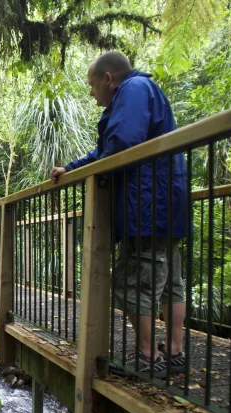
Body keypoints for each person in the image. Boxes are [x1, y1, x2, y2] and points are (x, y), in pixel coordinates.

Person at [50, 51, 188, 378]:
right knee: (169, 280)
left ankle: (146, 358)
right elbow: (106, 150)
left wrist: (97, 170)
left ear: (108, 79)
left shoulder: (133, 90)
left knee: (135, 282)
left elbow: (122, 143)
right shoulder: (141, 92)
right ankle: (174, 352)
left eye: (92, 84)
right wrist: (70, 169)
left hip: (148, 203)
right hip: (164, 201)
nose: (91, 91)